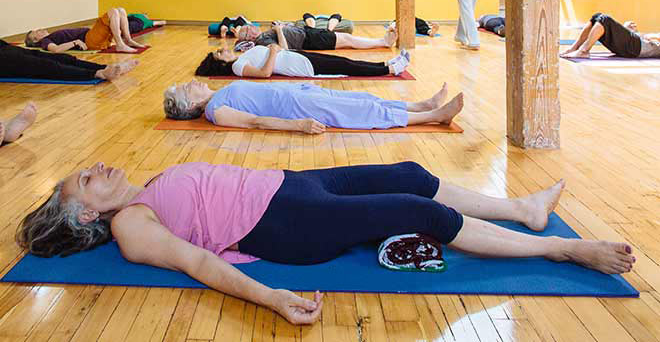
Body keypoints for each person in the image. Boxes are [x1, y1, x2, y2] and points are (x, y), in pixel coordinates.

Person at [17, 161, 635, 327]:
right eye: (86, 179)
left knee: (411, 174)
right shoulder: (130, 228)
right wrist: (271, 298)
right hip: (286, 228)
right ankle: (559, 250)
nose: (97, 166)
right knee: (417, 208)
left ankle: (522, 211)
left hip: (290, 187)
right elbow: (200, 262)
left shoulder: (139, 194)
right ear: (81, 213)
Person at [163, 78, 462, 132]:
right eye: (187, 87)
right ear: (189, 102)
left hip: (300, 94)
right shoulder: (216, 111)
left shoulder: (219, 93)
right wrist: (298, 125)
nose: (193, 82)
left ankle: (420, 105)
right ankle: (435, 116)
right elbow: (256, 121)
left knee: (362, 99)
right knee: (363, 113)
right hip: (298, 110)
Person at [195, 44, 411, 79]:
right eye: (219, 53)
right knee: (347, 67)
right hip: (302, 66)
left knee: (345, 60)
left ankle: (386, 64)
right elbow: (265, 74)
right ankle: (391, 69)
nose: (223, 49)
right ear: (222, 63)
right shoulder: (237, 66)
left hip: (297, 56)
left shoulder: (241, 56)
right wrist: (272, 51)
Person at [0, 39, 138, 82]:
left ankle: (105, 67)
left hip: (6, 50)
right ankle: (97, 74)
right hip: (5, 61)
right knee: (45, 65)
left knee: (62, 58)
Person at [25, 8, 149, 54]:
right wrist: (75, 42)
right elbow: (56, 50)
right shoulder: (45, 41)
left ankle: (128, 40)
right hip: (90, 40)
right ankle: (120, 44)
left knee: (121, 11)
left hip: (93, 38)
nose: (39, 29)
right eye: (36, 32)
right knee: (113, 12)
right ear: (35, 39)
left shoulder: (49, 36)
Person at [237, 21, 396, 51]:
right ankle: (382, 42)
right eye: (248, 30)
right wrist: (279, 30)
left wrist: (284, 27)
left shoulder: (263, 35)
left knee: (347, 39)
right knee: (348, 40)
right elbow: (283, 50)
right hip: (308, 40)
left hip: (307, 33)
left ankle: (382, 41)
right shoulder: (262, 42)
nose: (252, 28)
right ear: (249, 38)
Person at [561, 13, 660, 59]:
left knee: (605, 20)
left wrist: (652, 35)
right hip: (637, 44)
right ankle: (574, 47)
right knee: (597, 17)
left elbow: (652, 38)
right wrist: (628, 31)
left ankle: (583, 51)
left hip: (638, 48)